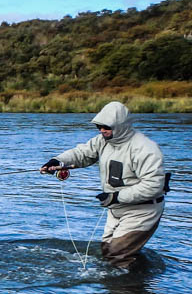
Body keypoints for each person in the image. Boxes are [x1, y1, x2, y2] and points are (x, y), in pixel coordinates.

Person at [41, 101, 168, 268]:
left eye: (106, 127)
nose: (102, 130)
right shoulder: (103, 140)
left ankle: (128, 289)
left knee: (117, 254)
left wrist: (116, 196)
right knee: (108, 251)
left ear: (120, 126)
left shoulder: (145, 149)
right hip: (116, 206)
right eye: (99, 127)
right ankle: (139, 275)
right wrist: (58, 161)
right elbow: (82, 154)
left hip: (142, 210)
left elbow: (154, 185)